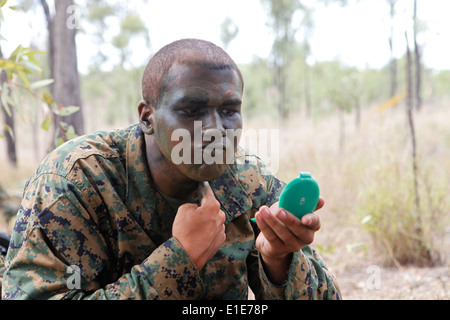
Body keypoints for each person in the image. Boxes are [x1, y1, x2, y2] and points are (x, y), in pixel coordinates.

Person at [1, 39, 341, 300]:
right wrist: (179, 258)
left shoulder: (249, 183)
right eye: (191, 110)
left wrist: (279, 261)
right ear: (147, 118)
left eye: (229, 110)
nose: (215, 128)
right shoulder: (75, 181)